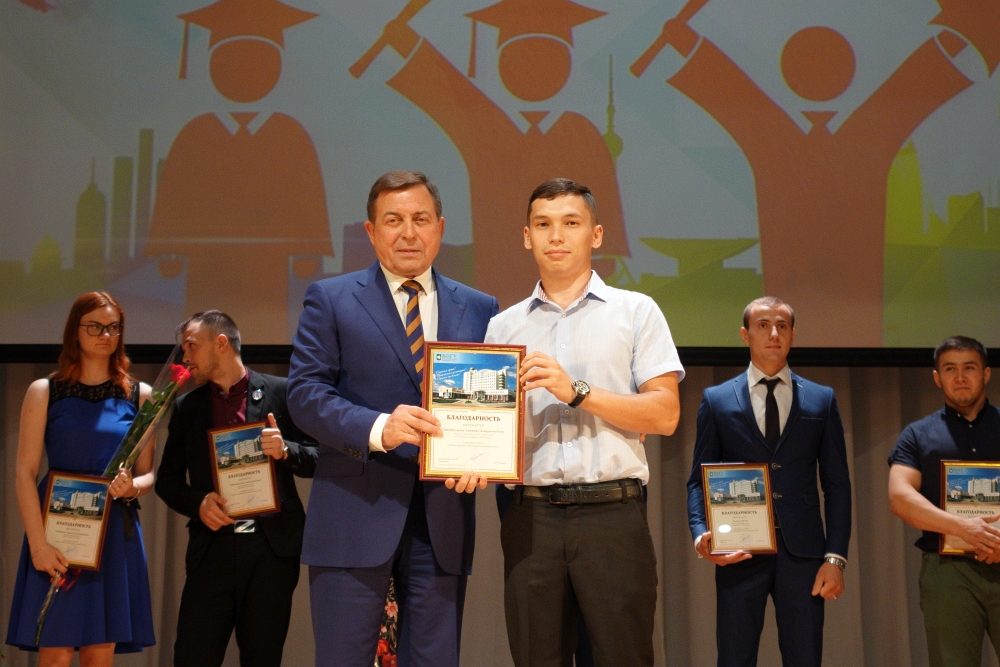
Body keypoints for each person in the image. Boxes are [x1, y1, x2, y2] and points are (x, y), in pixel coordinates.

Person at [632, 0, 1000, 345]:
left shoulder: (864, 135)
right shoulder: (780, 138)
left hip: (858, 297)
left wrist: (687, 42)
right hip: (787, 287)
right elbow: (734, 91)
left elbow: (911, 85)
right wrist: (688, 44)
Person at [286, 170, 499, 667]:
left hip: (443, 516)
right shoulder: (331, 298)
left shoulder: (480, 308)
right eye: (393, 220)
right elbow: (305, 395)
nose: (408, 233)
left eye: (421, 219)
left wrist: (485, 455)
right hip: (353, 513)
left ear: (440, 228)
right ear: (371, 231)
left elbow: (492, 404)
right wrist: (380, 427)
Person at [484, 178, 683, 667]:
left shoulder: (636, 311)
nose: (556, 236)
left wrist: (578, 392)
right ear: (527, 236)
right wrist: (471, 460)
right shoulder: (503, 327)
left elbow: (665, 413)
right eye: (543, 224)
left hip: (612, 516)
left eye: (571, 223)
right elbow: (490, 429)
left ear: (595, 235)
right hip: (530, 518)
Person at [353, 0, 630, 308]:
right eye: (519, 58)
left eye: (549, 58)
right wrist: (408, 45)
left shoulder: (581, 132)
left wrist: (608, 258)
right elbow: (450, 90)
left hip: (576, 296)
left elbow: (605, 214)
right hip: (497, 276)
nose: (533, 70)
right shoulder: (488, 128)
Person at [686, 296, 852, 667]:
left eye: (782, 326)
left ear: (792, 335)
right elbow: (698, 479)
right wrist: (700, 534)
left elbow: (838, 485)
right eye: (763, 325)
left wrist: (835, 558)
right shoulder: (717, 400)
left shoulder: (822, 400)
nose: (773, 333)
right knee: (734, 658)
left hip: (804, 554)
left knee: (805, 658)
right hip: (740, 550)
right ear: (745, 335)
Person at [155, 310, 318, 667]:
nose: (184, 357)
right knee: (192, 657)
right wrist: (198, 503)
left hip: (271, 550)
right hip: (213, 547)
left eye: (191, 346)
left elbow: (320, 458)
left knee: (263, 658)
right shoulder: (187, 407)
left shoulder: (282, 392)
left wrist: (285, 450)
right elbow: (166, 481)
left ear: (221, 343)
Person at [6, 291, 156, 664]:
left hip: (111, 532)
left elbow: (148, 474)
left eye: (114, 327)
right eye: (95, 327)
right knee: (54, 654)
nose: (106, 335)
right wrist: (39, 546)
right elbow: (24, 472)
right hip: (56, 531)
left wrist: (132, 487)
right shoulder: (45, 391)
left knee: (98, 655)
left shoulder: (142, 395)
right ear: (75, 330)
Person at [888, 336, 1000, 667]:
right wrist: (965, 529)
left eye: (970, 368)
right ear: (937, 378)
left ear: (986, 374)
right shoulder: (917, 435)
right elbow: (900, 497)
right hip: (948, 572)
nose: (960, 377)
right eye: (950, 369)